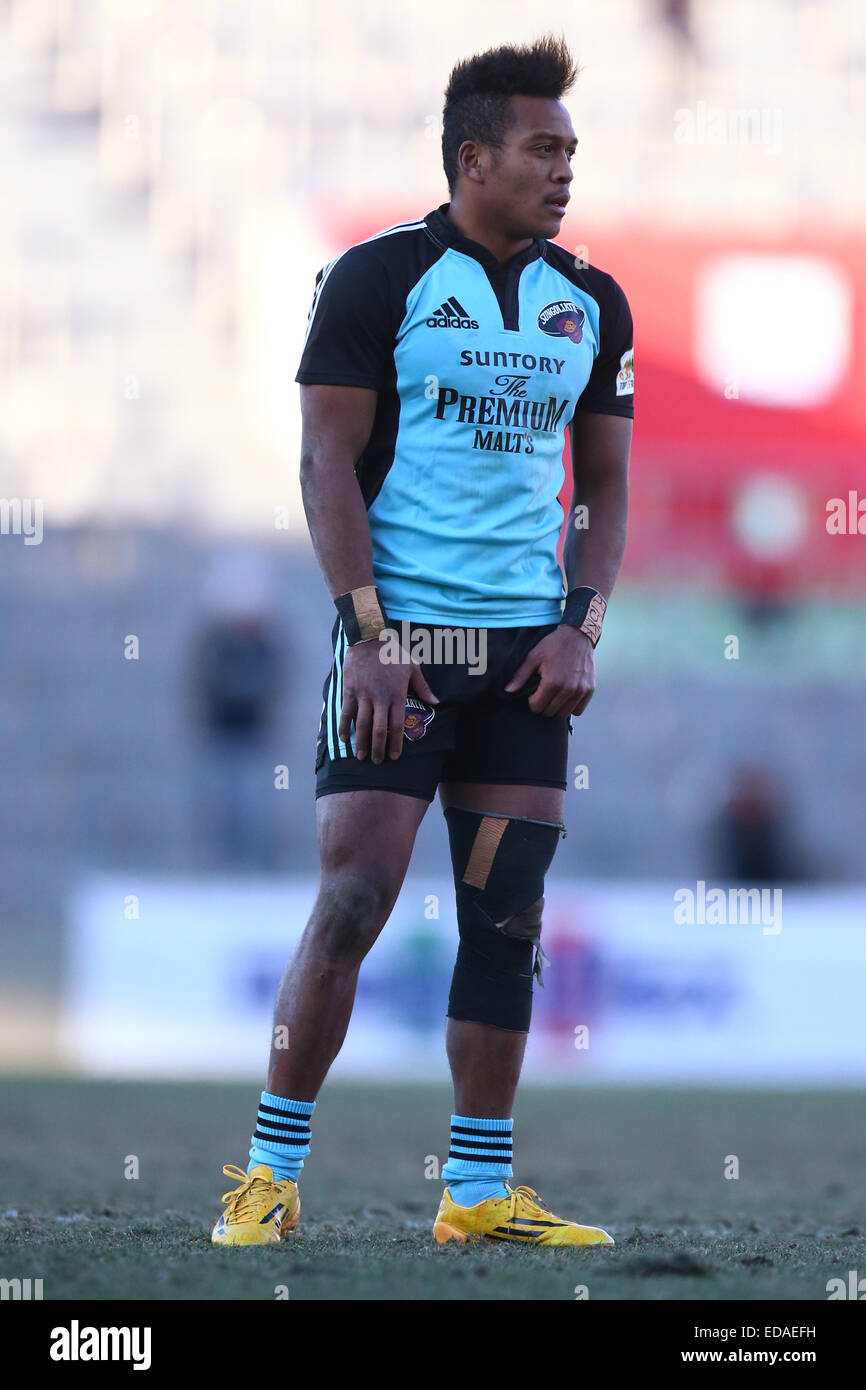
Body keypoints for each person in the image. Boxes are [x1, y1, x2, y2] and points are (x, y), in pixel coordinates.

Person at [212, 34, 634, 1248]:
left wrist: (580, 627)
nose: (562, 172)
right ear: (471, 157)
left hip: (520, 663)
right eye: (541, 150)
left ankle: (475, 1193)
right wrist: (369, 636)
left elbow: (602, 485)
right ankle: (269, 1176)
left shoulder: (588, 302)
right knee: (351, 901)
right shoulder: (376, 279)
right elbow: (322, 465)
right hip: (398, 644)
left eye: (570, 151)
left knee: (505, 916)